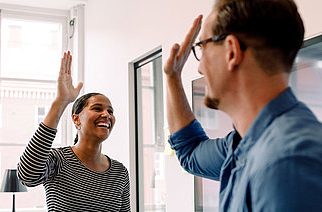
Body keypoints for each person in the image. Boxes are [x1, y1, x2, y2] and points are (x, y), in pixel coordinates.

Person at [164, 0, 322, 211]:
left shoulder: (287, 162)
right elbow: (190, 152)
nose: (201, 68)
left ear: (231, 51)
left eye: (203, 47)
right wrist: (173, 77)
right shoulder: (244, 143)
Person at [17, 51, 130, 212]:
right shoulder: (58, 160)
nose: (106, 115)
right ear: (76, 119)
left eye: (110, 111)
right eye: (97, 108)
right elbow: (27, 176)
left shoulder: (119, 172)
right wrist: (60, 102)